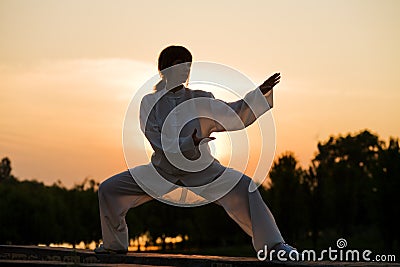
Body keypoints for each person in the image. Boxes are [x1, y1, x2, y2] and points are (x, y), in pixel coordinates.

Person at [95, 45, 298, 259]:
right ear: (164, 69)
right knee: (109, 189)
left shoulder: (200, 97)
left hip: (201, 169)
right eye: (179, 64)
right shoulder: (149, 102)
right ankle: (114, 245)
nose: (185, 69)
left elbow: (232, 113)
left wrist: (259, 94)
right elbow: (156, 140)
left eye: (188, 65)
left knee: (243, 186)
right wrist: (188, 142)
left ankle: (273, 248)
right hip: (162, 171)